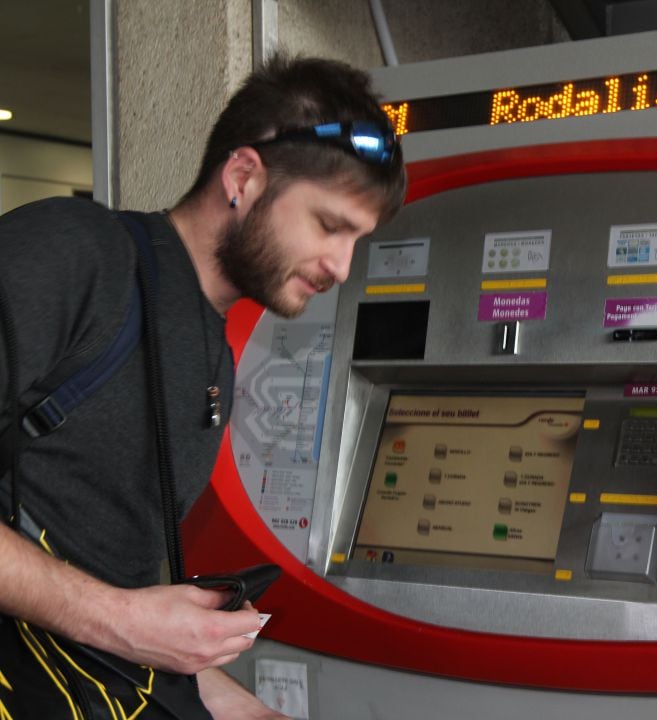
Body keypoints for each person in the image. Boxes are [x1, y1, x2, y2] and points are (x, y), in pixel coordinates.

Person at [0, 55, 406, 719]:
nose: (340, 265)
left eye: (357, 241)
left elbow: (111, 604)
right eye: (330, 226)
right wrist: (122, 621)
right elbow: (113, 618)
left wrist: (246, 709)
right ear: (243, 177)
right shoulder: (72, 254)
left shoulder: (211, 357)